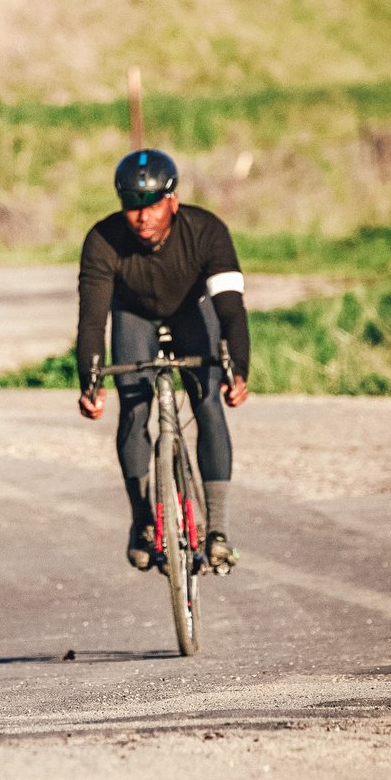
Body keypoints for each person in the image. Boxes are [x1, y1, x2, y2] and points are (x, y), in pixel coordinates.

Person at [76, 148, 249, 571]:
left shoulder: (207, 231)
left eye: (152, 204)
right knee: (134, 409)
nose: (142, 217)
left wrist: (238, 370)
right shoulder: (102, 240)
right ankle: (143, 522)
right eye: (132, 206)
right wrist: (90, 383)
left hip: (193, 311)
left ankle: (218, 531)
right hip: (134, 315)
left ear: (172, 199)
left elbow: (231, 310)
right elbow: (92, 321)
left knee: (208, 402)